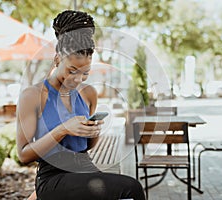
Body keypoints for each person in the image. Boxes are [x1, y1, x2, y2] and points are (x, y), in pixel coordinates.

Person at [16, 10, 145, 200]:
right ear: (57, 58)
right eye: (72, 70)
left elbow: (87, 147)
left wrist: (93, 131)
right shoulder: (33, 96)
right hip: (53, 177)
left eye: (85, 73)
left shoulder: (88, 94)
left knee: (123, 194)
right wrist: (62, 129)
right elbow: (23, 155)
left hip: (85, 169)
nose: (77, 79)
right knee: (131, 188)